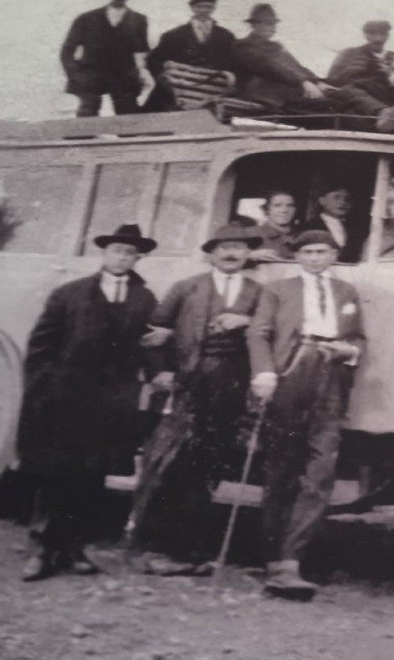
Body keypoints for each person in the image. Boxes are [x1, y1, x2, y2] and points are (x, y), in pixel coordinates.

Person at [16, 224, 159, 581]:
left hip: (111, 404)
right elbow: (40, 350)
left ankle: (75, 549)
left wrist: (158, 375)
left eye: (130, 253)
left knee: (92, 477)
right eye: (117, 251)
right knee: (54, 475)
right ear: (105, 254)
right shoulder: (70, 294)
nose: (122, 257)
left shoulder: (145, 300)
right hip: (66, 400)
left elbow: (150, 346)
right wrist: (45, 391)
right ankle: (41, 550)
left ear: (137, 258)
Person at [126, 223, 264, 575]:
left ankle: (190, 552)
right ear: (211, 253)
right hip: (187, 387)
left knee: (209, 467)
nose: (232, 253)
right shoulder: (186, 289)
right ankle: (151, 548)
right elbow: (152, 333)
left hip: (230, 391)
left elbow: (270, 335)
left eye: (239, 247)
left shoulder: (259, 294)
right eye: (224, 247)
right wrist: (160, 373)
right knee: (169, 463)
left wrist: (245, 320)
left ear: (249, 253)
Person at [248, 231, 366, 600]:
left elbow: (360, 338)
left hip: (331, 377)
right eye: (308, 252)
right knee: (281, 468)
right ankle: (272, 558)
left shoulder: (347, 292)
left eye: (322, 251)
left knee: (321, 470)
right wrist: (264, 373)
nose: (315, 258)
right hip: (290, 373)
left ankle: (292, 561)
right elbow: (258, 333)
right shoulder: (279, 290)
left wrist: (348, 349)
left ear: (334, 254)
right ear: (298, 256)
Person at [231, 5, 394, 139]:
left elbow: (298, 68)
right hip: (272, 94)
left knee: (349, 94)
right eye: (267, 24)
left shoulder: (276, 48)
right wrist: (304, 83)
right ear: (255, 25)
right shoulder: (246, 47)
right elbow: (271, 67)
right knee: (346, 101)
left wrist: (317, 82)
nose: (271, 28)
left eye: (273, 24)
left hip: (295, 89)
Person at [60, 0, 152, 117]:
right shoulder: (87, 18)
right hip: (92, 74)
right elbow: (67, 51)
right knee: (87, 113)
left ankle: (128, 139)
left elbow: (141, 50)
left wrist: (141, 73)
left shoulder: (138, 20)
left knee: (128, 114)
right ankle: (82, 138)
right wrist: (75, 75)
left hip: (123, 75)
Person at [142, 0, 238, 113]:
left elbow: (234, 61)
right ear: (192, 8)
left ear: (213, 9)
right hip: (178, 90)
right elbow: (153, 60)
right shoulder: (173, 36)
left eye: (208, 7)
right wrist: (164, 74)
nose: (204, 10)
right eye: (200, 6)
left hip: (213, 90)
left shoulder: (226, 36)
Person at [299, 187, 369, 264]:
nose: (342, 202)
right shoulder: (309, 226)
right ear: (322, 200)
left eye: (347, 199)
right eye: (336, 197)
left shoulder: (356, 228)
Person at [249, 191, 299, 261]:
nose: (284, 210)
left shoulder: (302, 236)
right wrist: (250, 255)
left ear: (295, 210)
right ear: (267, 209)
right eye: (277, 205)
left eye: (290, 206)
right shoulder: (250, 233)